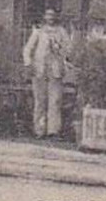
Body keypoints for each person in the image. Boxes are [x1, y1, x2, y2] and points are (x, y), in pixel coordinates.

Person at [23, 8, 70, 139]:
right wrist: (28, 63)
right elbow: (28, 49)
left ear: (56, 17)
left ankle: (53, 131)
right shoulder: (38, 31)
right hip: (39, 70)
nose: (50, 17)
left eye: (53, 15)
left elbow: (68, 49)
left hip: (55, 70)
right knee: (40, 100)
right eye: (48, 14)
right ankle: (39, 130)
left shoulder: (61, 32)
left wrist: (59, 49)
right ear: (44, 16)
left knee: (55, 100)